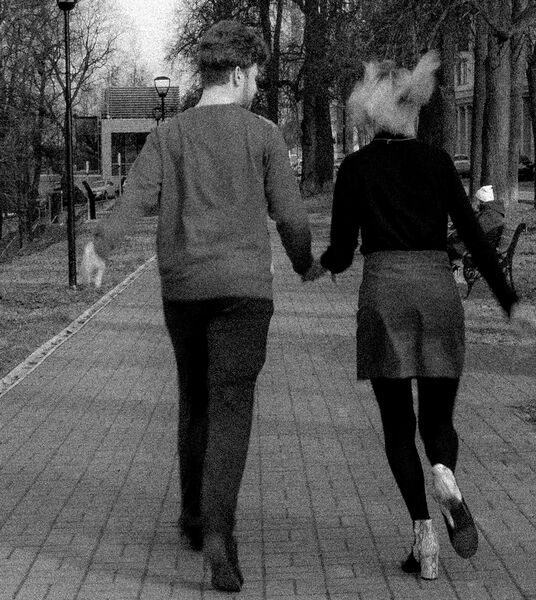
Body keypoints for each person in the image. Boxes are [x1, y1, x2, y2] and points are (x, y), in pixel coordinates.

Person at [81, 20, 315, 593]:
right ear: (237, 73)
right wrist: (305, 262)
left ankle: (192, 516)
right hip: (245, 293)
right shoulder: (263, 136)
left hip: (183, 290)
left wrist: (100, 247)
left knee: (194, 398)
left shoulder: (169, 135)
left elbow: (136, 196)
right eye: (255, 75)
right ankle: (219, 531)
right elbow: (290, 215)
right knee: (231, 406)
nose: (257, 85)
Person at [306, 53, 536, 580]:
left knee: (398, 424)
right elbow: (476, 238)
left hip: (384, 292)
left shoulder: (356, 169)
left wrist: (319, 267)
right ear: (411, 109)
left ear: (371, 112)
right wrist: (512, 304)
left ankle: (424, 537)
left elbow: (342, 252)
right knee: (438, 420)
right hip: (437, 291)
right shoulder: (437, 163)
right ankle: (444, 472)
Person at [447, 184, 504, 284]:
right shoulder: (493, 212)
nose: (476, 202)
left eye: (477, 200)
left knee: (448, 247)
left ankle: (455, 273)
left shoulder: (488, 216)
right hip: (483, 245)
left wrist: (456, 234)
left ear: (482, 201)